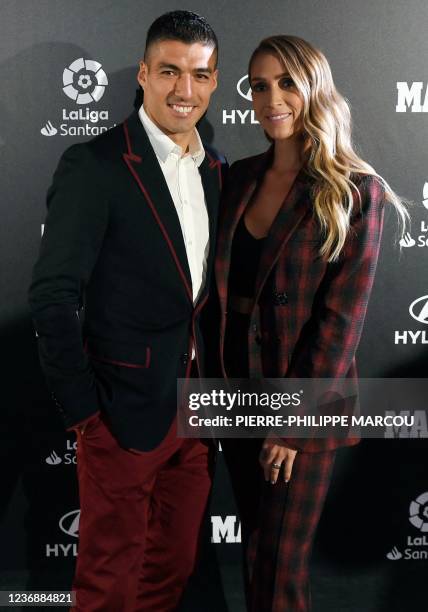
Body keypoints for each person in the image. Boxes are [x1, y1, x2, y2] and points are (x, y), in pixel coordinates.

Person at [28, 10, 226, 612]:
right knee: (109, 580)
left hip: (196, 413)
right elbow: (53, 294)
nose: (184, 91)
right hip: (120, 412)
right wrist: (85, 411)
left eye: (199, 74)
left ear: (215, 82)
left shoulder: (215, 171)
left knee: (171, 568)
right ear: (143, 74)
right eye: (169, 71)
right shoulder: (96, 165)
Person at [215, 35, 407, 611]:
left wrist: (292, 427)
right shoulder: (236, 178)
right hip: (233, 394)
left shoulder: (355, 192)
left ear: (314, 88)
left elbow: (339, 324)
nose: (271, 98)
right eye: (259, 85)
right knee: (256, 559)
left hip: (301, 405)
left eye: (287, 83)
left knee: (279, 570)